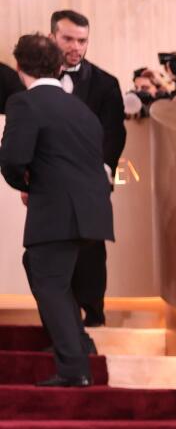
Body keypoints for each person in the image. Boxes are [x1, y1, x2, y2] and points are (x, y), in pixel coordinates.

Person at [2, 33, 114, 387]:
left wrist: (26, 185)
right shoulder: (79, 107)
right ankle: (81, 343)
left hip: (58, 210)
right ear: (57, 64)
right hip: (92, 210)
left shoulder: (25, 103)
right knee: (43, 270)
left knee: (49, 281)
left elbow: (13, 159)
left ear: (20, 67)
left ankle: (74, 368)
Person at [48, 11, 123, 328]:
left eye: (82, 40)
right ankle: (59, 320)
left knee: (91, 252)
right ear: (53, 37)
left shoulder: (106, 84)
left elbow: (114, 132)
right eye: (68, 39)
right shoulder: (35, 83)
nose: (76, 46)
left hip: (91, 183)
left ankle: (93, 314)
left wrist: (104, 170)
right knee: (51, 252)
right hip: (50, 185)